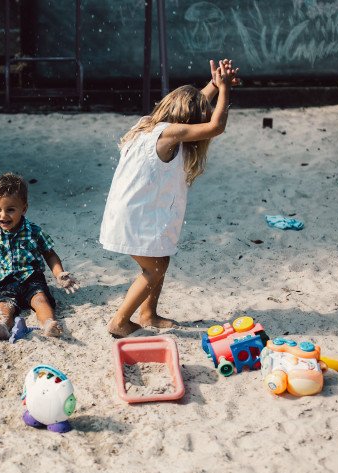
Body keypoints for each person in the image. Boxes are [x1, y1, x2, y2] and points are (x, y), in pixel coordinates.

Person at [99, 59, 241, 338]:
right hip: (136, 217)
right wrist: (225, 90)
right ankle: (119, 322)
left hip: (137, 212)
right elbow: (215, 126)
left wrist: (213, 84)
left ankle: (148, 314)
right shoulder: (170, 133)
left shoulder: (147, 124)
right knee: (155, 268)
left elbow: (191, 106)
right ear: (189, 120)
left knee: (160, 259)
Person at [0, 172, 79, 339]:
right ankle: (2, 326)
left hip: (32, 280)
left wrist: (59, 274)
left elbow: (50, 254)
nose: (3, 215)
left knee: (41, 301)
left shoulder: (34, 232)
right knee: (4, 307)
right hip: (5, 283)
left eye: (10, 210)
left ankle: (48, 323)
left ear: (24, 208)